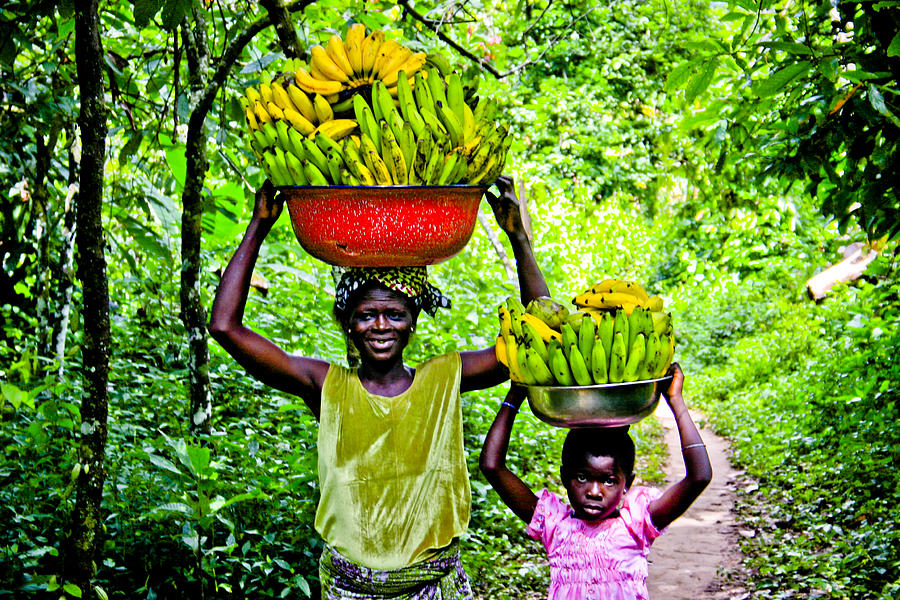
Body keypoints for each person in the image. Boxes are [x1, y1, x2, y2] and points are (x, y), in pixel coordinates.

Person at [209, 175, 549, 599]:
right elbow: (225, 327)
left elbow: (539, 338)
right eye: (367, 314)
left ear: (413, 323)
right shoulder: (327, 385)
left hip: (433, 584)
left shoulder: (444, 377)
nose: (381, 326)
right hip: (349, 586)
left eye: (395, 314)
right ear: (349, 324)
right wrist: (258, 226)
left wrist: (519, 239)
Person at [479, 364, 712, 600]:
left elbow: (699, 477)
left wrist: (676, 402)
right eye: (582, 478)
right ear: (565, 477)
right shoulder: (553, 523)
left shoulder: (636, 524)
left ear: (627, 484)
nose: (594, 491)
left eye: (609, 481)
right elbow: (492, 466)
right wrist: (514, 397)